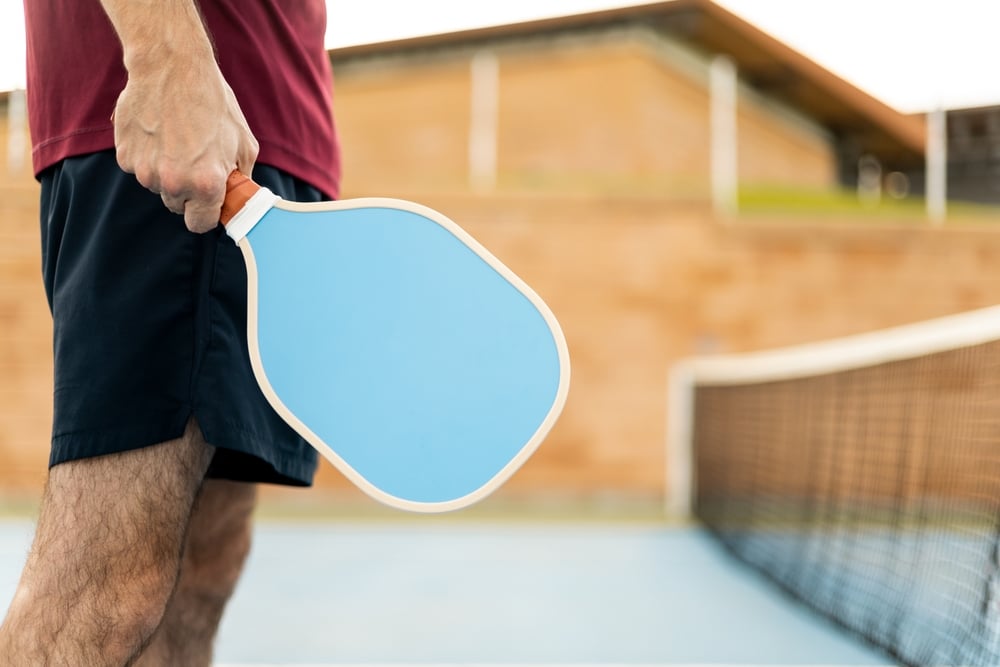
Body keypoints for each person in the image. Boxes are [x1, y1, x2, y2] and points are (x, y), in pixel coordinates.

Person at [0, 1, 340, 664]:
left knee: (202, 571)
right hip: (188, 125)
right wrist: (166, 58)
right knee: (108, 589)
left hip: (278, 128)